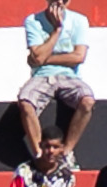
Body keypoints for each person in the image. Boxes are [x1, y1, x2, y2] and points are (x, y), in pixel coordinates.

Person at [23, 0, 96, 159]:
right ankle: (40, 154)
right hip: (42, 75)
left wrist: (44, 59)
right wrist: (57, 30)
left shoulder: (79, 20)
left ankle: (66, 153)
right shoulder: (33, 21)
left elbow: (78, 57)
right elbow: (37, 56)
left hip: (69, 75)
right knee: (25, 101)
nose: (59, 3)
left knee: (87, 101)